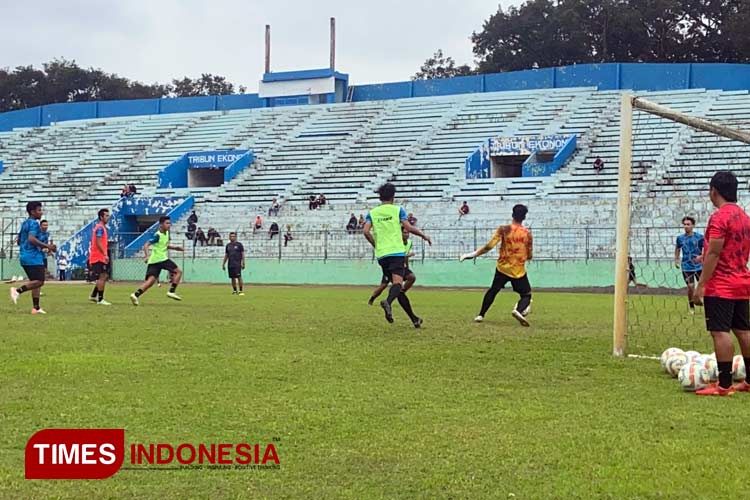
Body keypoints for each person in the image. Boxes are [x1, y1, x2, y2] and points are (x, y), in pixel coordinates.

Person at [693, 171, 750, 396]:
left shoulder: (719, 217)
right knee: (744, 331)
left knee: (720, 332)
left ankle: (724, 385)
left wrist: (702, 285)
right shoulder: (745, 217)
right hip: (742, 281)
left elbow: (715, 252)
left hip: (721, 284)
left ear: (713, 191)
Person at [363, 183, 431, 328]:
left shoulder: (372, 213)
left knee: (397, 289)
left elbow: (365, 231)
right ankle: (387, 302)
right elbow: (408, 227)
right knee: (398, 285)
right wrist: (424, 236)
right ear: (393, 196)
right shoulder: (398, 210)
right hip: (396, 252)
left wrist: (375, 244)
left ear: (380, 197)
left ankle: (414, 319)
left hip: (382, 255)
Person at [460, 204, 533, 326]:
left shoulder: (504, 229)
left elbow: (489, 246)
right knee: (526, 295)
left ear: (512, 215)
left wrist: (473, 254)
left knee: (493, 290)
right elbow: (529, 254)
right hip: (518, 270)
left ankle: (481, 315)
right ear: (524, 217)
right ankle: (518, 310)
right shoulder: (527, 234)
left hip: (502, 268)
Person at [10, 201, 57, 314]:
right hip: (32, 257)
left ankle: (36, 308)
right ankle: (17, 291)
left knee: (35, 282)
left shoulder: (25, 223)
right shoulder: (34, 224)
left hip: (25, 256)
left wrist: (38, 247)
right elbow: (31, 239)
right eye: (39, 210)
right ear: (32, 211)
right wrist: (47, 246)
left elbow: (19, 241)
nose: (41, 212)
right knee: (40, 281)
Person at [129, 216, 184, 306]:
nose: (169, 225)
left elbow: (163, 246)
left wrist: (175, 248)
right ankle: (171, 291)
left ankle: (135, 295)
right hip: (161, 259)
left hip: (154, 261)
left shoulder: (166, 234)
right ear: (161, 225)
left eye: (169, 223)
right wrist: (146, 256)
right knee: (178, 271)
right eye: (167, 223)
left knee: (150, 281)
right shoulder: (157, 235)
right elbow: (146, 244)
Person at [368, 227, 417, 306]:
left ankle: (401, 292)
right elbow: (399, 255)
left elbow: (405, 257)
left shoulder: (409, 243)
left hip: (401, 267)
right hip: (391, 267)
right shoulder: (396, 243)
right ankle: (372, 298)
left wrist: (407, 267)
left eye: (407, 233)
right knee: (383, 286)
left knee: (412, 277)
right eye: (404, 233)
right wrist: (407, 255)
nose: (406, 235)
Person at [674, 216, 704, 314]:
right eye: (684, 224)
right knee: (691, 286)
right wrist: (676, 260)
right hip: (686, 266)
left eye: (688, 224)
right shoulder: (680, 238)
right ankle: (691, 307)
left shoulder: (699, 237)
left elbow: (705, 249)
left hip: (699, 265)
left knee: (703, 286)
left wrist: (701, 257)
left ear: (693, 225)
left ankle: (704, 302)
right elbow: (677, 249)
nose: (686, 226)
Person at [88, 208, 112, 305]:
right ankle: (100, 299)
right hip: (98, 256)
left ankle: (93, 295)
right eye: (106, 216)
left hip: (99, 255)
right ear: (101, 217)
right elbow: (98, 241)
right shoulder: (100, 228)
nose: (108, 217)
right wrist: (105, 254)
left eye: (108, 215)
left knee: (104, 275)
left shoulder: (101, 228)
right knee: (102, 276)